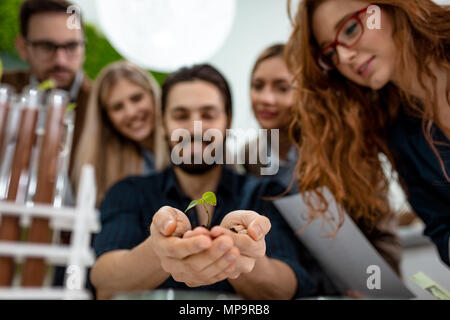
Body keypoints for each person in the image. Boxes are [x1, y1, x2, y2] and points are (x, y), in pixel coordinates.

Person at [90, 64, 318, 300]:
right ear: (162, 123)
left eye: (208, 115)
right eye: (181, 116)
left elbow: (289, 287)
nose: (194, 128)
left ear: (228, 121)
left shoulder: (265, 193)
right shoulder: (129, 192)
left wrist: (237, 253)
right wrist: (158, 249)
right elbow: (104, 282)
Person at [285, 0, 450, 266]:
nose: (344, 57)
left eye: (350, 29)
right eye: (330, 54)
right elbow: (441, 228)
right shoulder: (398, 134)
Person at [1, 0, 90, 175]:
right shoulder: (4, 90)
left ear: (83, 48)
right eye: (46, 46)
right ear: (22, 47)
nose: (60, 60)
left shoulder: (105, 105)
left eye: (71, 46)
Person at [72, 61, 170, 205]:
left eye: (136, 98)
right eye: (117, 107)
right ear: (106, 118)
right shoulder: (108, 170)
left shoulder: (185, 147)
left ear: (153, 95)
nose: (131, 113)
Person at [241, 43, 299, 192]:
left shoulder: (329, 150)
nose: (266, 99)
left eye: (282, 88)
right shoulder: (249, 155)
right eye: (258, 86)